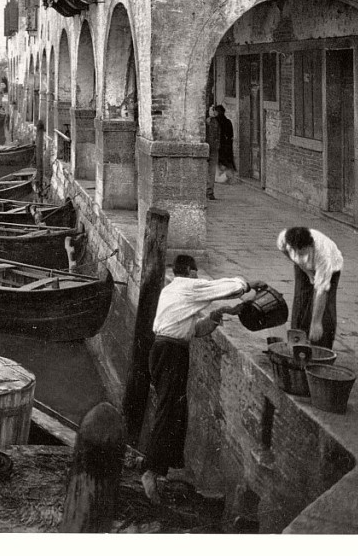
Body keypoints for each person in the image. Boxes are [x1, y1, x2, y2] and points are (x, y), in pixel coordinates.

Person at [140, 255, 263, 503]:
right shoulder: (187, 285)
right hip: (170, 353)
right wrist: (248, 284)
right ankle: (150, 472)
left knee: (177, 409)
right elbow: (223, 288)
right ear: (190, 272)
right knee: (167, 409)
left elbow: (194, 330)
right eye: (196, 272)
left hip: (168, 351)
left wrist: (217, 316)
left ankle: (171, 466)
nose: (198, 276)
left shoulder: (173, 292)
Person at [276, 226, 342, 349]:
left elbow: (321, 290)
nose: (299, 254)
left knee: (324, 309)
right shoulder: (284, 239)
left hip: (330, 269)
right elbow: (283, 249)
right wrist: (305, 270)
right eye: (296, 251)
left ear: (310, 245)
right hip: (303, 268)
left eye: (303, 251)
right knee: (300, 301)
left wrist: (316, 323)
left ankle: (321, 347)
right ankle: (297, 343)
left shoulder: (323, 254)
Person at [213, 104, 236, 182]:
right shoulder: (228, 121)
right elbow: (231, 135)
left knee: (218, 161)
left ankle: (222, 177)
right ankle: (226, 176)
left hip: (218, 145)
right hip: (227, 145)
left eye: (215, 111)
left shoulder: (214, 121)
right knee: (226, 161)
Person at [205, 105, 221, 200]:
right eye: (212, 110)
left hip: (213, 148)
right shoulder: (207, 122)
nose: (214, 112)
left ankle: (209, 191)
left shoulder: (216, 122)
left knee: (212, 170)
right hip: (208, 147)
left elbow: (218, 135)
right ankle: (208, 191)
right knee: (209, 170)